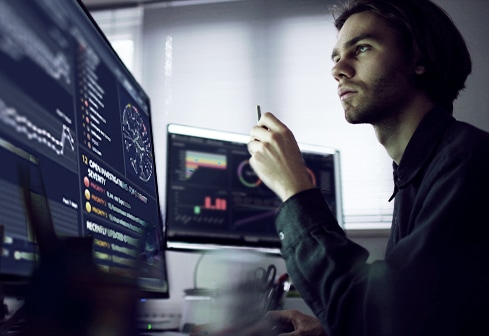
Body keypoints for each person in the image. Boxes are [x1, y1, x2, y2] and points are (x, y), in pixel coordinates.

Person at [247, 0, 489, 335]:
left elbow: (380, 319)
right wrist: (325, 330)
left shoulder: (469, 163)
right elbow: (417, 319)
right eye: (335, 58)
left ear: (418, 58)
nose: (338, 70)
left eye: (361, 48)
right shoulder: (420, 170)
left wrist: (294, 187)